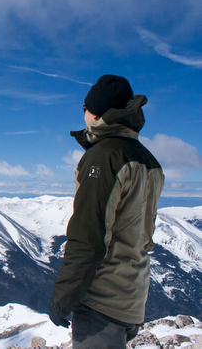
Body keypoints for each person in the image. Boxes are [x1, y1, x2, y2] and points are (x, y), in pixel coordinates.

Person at [49, 74, 164, 349]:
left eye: (84, 108)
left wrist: (62, 299)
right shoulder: (149, 160)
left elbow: (88, 238)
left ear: (96, 113)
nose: (84, 114)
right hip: (132, 297)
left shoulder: (103, 157)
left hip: (101, 302)